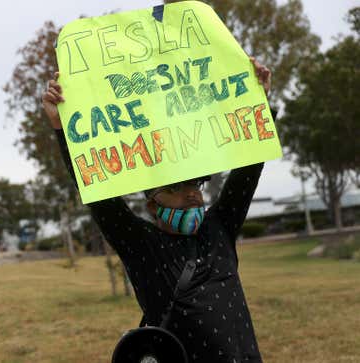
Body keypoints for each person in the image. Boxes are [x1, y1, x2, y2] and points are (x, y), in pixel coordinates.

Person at [42, 57, 272, 363]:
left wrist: (259, 99)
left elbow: (249, 168)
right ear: (152, 205)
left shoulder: (220, 228)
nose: (191, 195)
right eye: (176, 189)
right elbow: (95, 192)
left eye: (195, 185)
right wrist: (61, 125)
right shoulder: (141, 246)